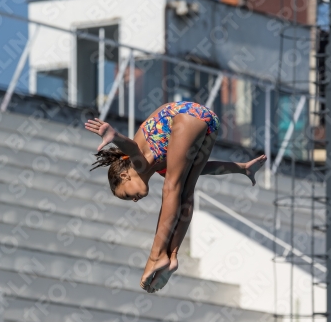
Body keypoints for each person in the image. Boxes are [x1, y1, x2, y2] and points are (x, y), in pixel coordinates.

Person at [85, 101, 266, 293]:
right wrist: (242, 168)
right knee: (185, 191)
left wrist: (115, 136)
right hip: (208, 123)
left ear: (124, 176)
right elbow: (206, 168)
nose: (135, 200)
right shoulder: (163, 167)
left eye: (128, 195)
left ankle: (156, 256)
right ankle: (171, 256)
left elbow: (131, 147)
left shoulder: (139, 164)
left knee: (172, 189)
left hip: (186, 115)